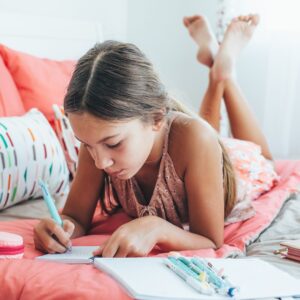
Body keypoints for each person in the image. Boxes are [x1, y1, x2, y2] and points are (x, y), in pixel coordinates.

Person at [34, 14, 277, 257]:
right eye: (87, 146)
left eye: (114, 143)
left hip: (238, 168)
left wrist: (157, 228)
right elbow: (75, 216)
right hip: (196, 148)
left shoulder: (196, 139)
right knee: (202, 134)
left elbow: (211, 240)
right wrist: (59, 229)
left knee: (259, 156)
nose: (100, 162)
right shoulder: (98, 143)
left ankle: (223, 74)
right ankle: (216, 63)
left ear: (157, 118)